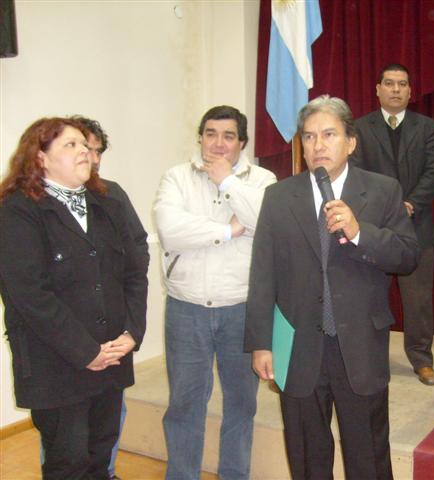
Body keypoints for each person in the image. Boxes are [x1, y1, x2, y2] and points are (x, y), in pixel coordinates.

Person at [245, 95, 420, 479]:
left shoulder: (383, 190)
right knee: (307, 455)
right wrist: (261, 343)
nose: (318, 145)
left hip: (359, 344)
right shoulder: (279, 196)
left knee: (368, 455)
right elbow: (263, 274)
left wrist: (360, 233)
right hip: (298, 344)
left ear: (351, 142)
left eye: (328, 134)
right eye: (309, 137)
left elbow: (408, 256)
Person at [0, 117, 148, 479]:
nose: (84, 151)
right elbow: (30, 295)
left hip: (111, 356)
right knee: (68, 463)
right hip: (56, 364)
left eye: (84, 144)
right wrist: (86, 351)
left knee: (100, 457)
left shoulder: (107, 201)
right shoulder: (17, 210)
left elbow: (133, 272)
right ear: (40, 157)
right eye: (71, 145)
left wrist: (131, 332)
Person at [153, 105, 276, 480]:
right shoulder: (177, 177)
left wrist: (228, 182)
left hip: (242, 309)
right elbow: (170, 230)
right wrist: (229, 230)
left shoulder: (262, 179)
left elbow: (268, 222)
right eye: (210, 134)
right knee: (185, 403)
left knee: (242, 403)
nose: (218, 143)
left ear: (242, 142)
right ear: (200, 138)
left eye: (228, 136)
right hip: (186, 309)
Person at [352, 63, 434, 386]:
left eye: (402, 84)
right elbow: (356, 174)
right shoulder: (360, 128)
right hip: (372, 228)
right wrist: (386, 210)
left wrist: (410, 205)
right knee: (367, 296)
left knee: (418, 301)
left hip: (417, 226)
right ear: (377, 89)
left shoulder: (427, 127)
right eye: (389, 83)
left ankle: (422, 360)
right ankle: (365, 355)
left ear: (410, 91)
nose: (395, 89)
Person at [72, 115, 150, 480]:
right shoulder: (35, 203)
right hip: (69, 345)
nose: (93, 158)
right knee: (67, 444)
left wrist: (130, 328)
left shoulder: (112, 194)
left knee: (107, 429)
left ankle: (106, 472)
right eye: (84, 148)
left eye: (98, 150)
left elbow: (138, 249)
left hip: (113, 337)